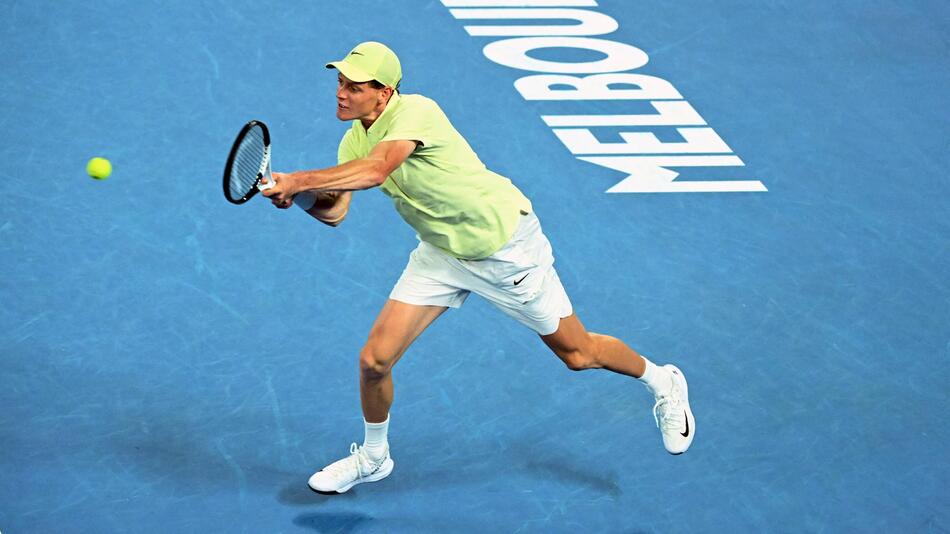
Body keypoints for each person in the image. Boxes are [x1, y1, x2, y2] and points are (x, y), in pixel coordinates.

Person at [261, 41, 695, 494]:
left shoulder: (417, 112)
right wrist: (297, 196)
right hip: (442, 253)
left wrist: (299, 178)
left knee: (578, 353)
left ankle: (662, 380)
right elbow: (335, 212)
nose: (341, 93)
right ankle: (374, 457)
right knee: (374, 361)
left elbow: (375, 172)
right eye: (339, 82)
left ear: (385, 93)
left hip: (503, 249)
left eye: (353, 86)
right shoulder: (355, 136)